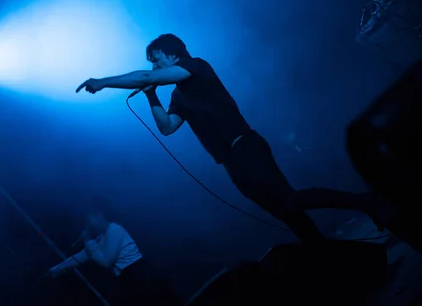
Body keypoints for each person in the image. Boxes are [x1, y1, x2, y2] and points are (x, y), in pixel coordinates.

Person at [76, 33, 394, 242]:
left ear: (173, 56)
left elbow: (146, 76)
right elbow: (168, 127)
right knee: (287, 214)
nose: (153, 65)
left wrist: (103, 82)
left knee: (291, 200)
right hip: (231, 163)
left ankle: (365, 202)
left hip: (247, 147)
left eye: (157, 59)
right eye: (152, 62)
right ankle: (330, 260)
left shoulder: (195, 67)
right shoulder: (179, 96)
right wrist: (151, 97)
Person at [45, 212, 161, 305]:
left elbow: (106, 261)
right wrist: (55, 270)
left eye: (90, 220)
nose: (88, 224)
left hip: (142, 275)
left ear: (100, 216)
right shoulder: (99, 239)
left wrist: (87, 241)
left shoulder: (115, 229)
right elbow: (78, 258)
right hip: (129, 278)